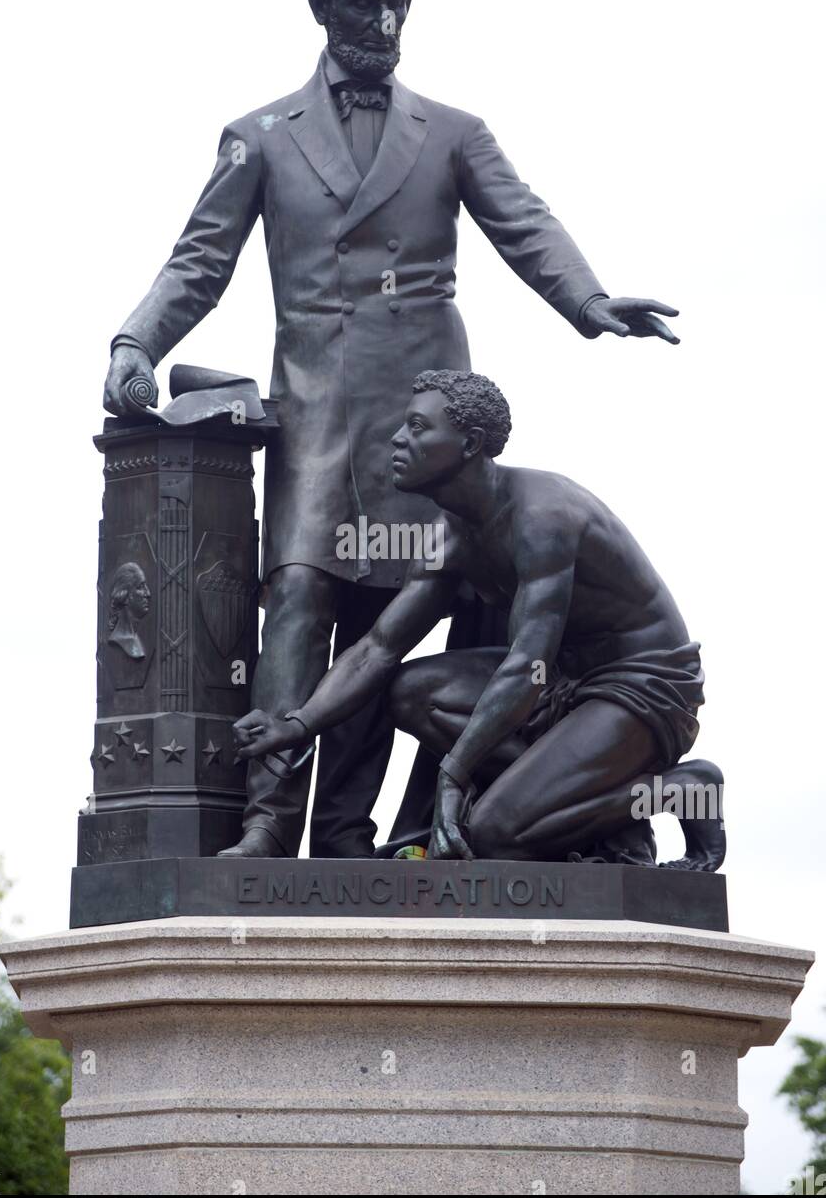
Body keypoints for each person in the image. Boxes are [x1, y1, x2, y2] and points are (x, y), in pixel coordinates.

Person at [103, 0, 681, 861]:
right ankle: (269, 821)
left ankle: (357, 835)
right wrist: (136, 340)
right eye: (366, 3)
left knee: (396, 627)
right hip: (319, 424)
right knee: (296, 605)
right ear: (325, 9)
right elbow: (199, 260)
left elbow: (524, 220)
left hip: (427, 425)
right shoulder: (259, 137)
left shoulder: (452, 132)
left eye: (398, 3)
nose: (386, 20)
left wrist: (588, 300)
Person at [233, 371, 724, 871]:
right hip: (561, 685)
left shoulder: (542, 516)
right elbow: (378, 648)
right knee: (408, 691)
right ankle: (574, 803)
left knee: (495, 833)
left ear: (470, 443)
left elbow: (524, 664)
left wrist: (454, 774)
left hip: (642, 688)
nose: (398, 439)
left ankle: (680, 791)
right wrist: (296, 724)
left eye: (418, 427)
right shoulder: (449, 535)